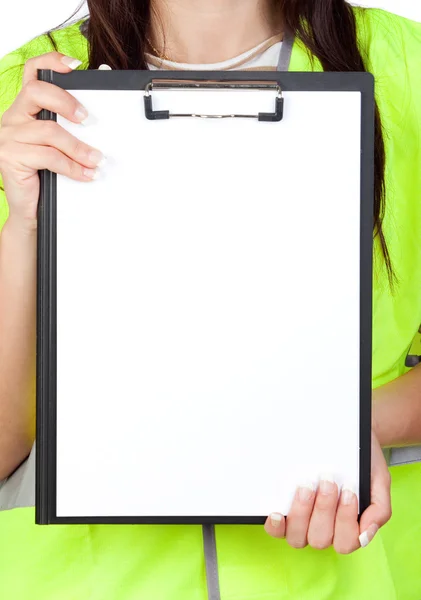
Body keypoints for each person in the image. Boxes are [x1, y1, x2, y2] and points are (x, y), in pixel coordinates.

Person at [0, 1, 420, 598]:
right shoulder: (25, 93)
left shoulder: (409, 67)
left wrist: (339, 429)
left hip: (340, 578)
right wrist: (24, 226)